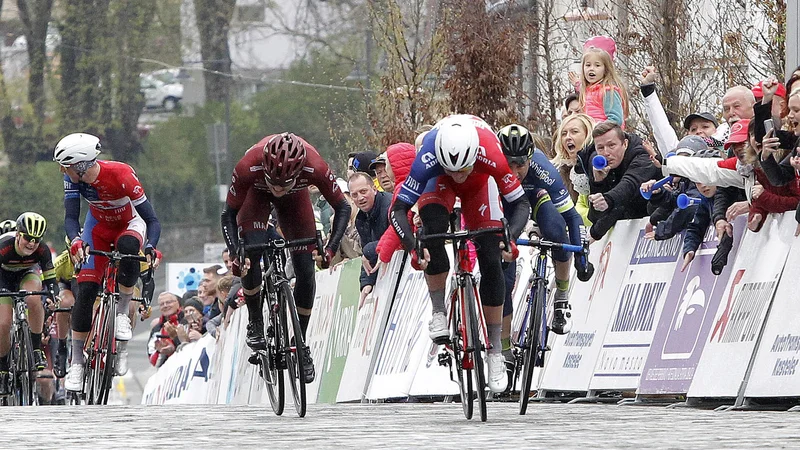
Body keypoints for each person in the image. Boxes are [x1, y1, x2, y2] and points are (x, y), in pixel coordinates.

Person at [390, 114, 531, 393]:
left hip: (480, 184)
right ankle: (439, 311)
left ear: (473, 156)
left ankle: (493, 352)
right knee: (433, 231)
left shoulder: (491, 151)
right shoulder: (428, 155)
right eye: (452, 168)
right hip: (436, 183)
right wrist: (412, 246)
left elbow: (521, 204)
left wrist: (510, 238)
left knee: (491, 257)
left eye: (462, 168)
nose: (458, 174)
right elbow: (397, 210)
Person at [221, 132, 351, 383]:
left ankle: (300, 343)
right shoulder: (248, 165)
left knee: (305, 268)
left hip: (296, 199)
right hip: (255, 195)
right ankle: (256, 321)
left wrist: (331, 248)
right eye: (274, 183)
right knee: (251, 252)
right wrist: (238, 251)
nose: (278, 190)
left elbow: (343, 207)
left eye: (283, 184)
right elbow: (228, 215)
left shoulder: (316, 166)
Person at [53, 133, 163, 392]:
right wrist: (76, 240)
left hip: (129, 224)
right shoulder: (72, 178)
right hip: (98, 227)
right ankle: (78, 362)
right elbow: (71, 218)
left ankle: (123, 312)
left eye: (65, 165)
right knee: (87, 290)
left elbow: (152, 220)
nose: (62, 170)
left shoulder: (121, 175)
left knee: (127, 248)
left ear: (80, 164)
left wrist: (150, 247)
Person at [497, 124, 592, 340]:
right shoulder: (492, 170)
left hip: (536, 195)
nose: (514, 172)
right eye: (508, 164)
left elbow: (572, 217)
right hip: (506, 206)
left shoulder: (543, 169)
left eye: (520, 164)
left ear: (530, 158)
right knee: (504, 279)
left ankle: (561, 297)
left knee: (556, 231)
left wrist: (581, 257)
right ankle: (503, 347)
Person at [0, 213, 57, 396]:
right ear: (18, 234)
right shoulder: (4, 246)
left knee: (34, 298)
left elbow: (50, 279)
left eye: (36, 239)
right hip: (3, 280)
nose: (31, 244)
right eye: (27, 238)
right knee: (3, 323)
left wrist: (53, 296)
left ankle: (36, 348)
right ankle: (2, 366)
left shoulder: (42, 250)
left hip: (27, 274)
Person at [574, 122, 661, 241]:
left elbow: (629, 185)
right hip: (629, 229)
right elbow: (595, 217)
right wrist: (598, 183)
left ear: (624, 144)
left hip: (655, 219)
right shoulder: (597, 161)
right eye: (600, 148)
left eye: (611, 145)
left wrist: (595, 233)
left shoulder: (641, 154)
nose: (606, 153)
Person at [349, 172, 391, 296]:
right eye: (355, 195)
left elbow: (398, 240)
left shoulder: (389, 205)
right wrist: (366, 283)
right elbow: (367, 259)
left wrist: (369, 249)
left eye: (363, 191)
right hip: (386, 273)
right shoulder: (360, 219)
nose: (360, 198)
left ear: (374, 189)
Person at [551, 113, 595, 223]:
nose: (568, 137)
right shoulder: (560, 172)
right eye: (564, 134)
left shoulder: (598, 165)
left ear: (588, 134)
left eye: (574, 132)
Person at [579, 36, 629, 126]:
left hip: (605, 137)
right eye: (588, 65)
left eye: (597, 65)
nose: (591, 69)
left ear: (605, 69)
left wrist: (596, 129)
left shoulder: (608, 91)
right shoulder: (587, 92)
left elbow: (616, 119)